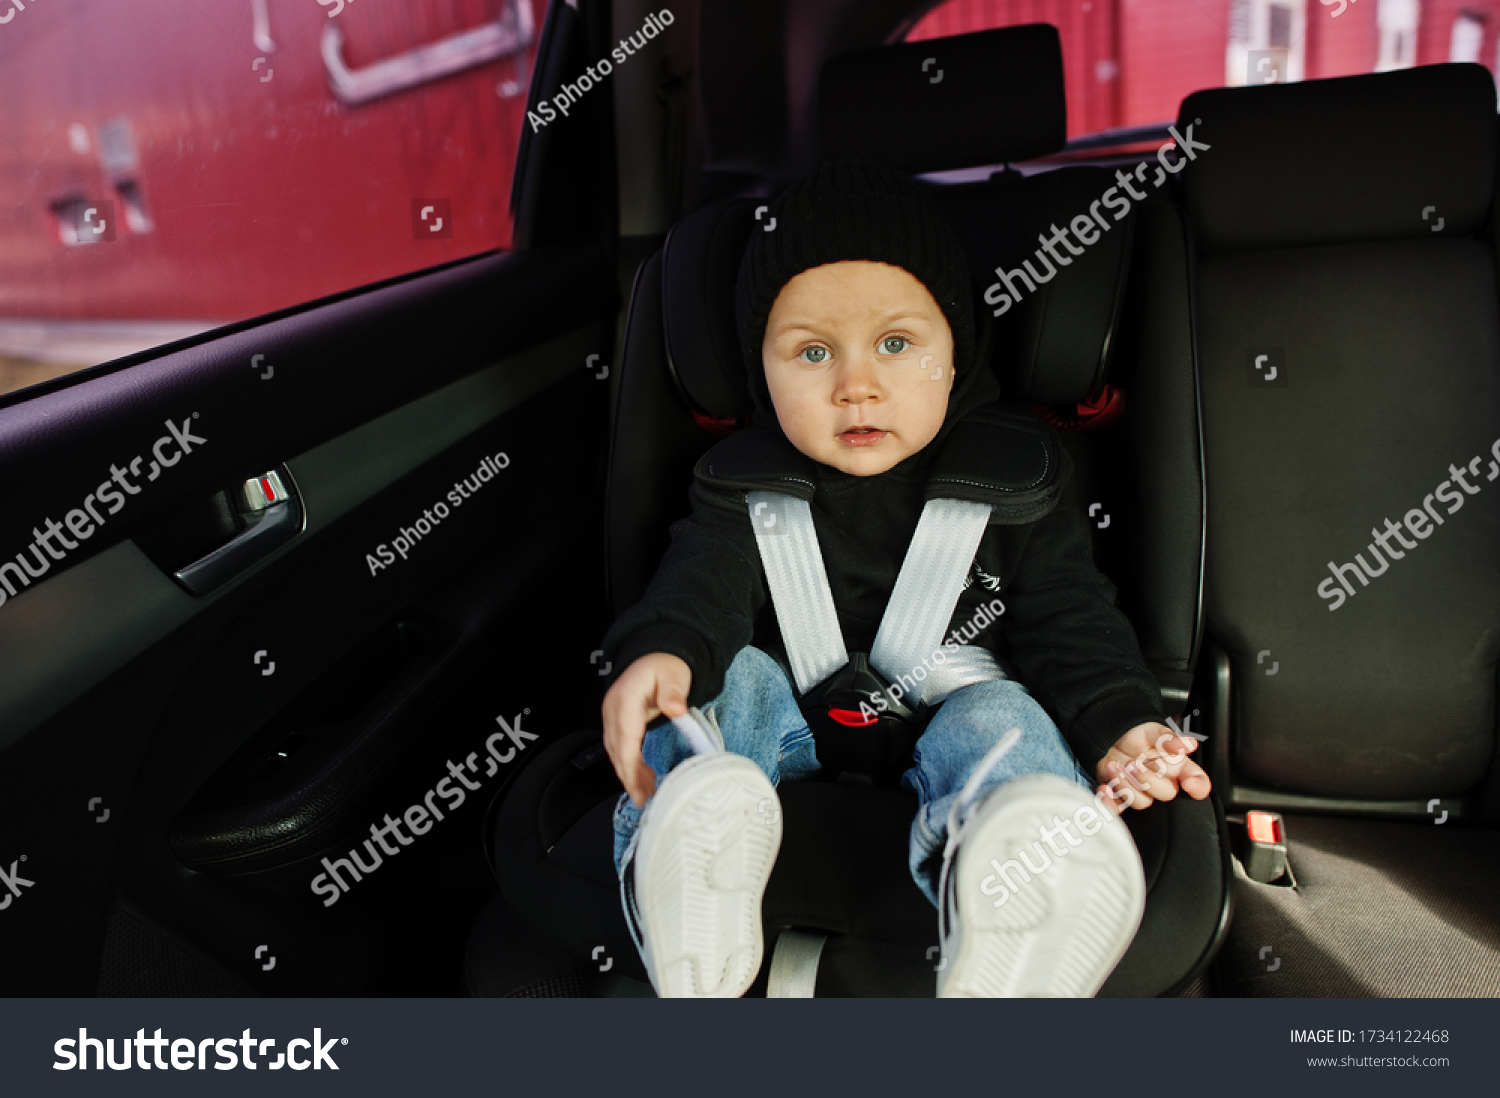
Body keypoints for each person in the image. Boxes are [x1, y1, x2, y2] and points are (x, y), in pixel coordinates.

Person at [598, 159, 1210, 997]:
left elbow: (1071, 619)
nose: (856, 384)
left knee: (1008, 717)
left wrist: (1121, 721)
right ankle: (695, 859)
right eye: (812, 351)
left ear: (955, 351)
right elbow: (698, 585)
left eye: (896, 344)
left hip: (952, 711)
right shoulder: (744, 488)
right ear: (759, 373)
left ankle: (1021, 876)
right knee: (717, 685)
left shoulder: (1016, 480)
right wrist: (661, 653)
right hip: (784, 729)